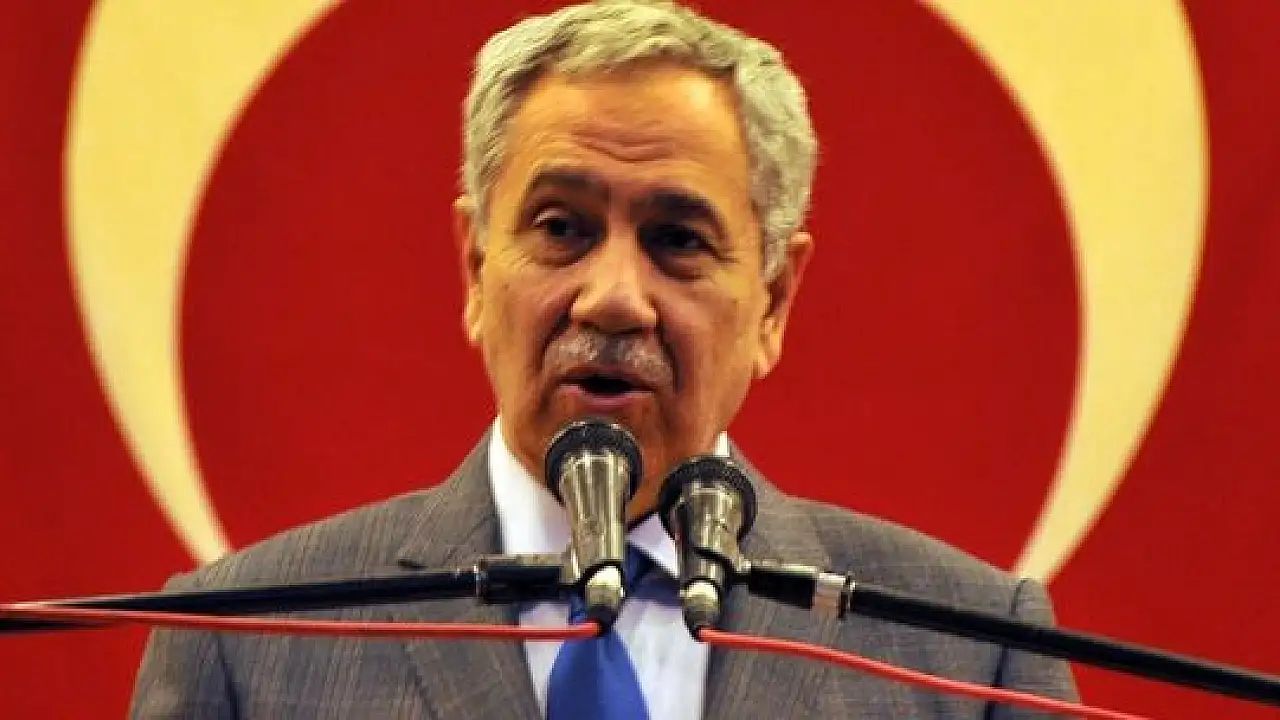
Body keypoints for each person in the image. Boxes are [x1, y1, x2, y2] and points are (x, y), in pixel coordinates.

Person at [131, 1, 1078, 717]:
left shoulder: (962, 655)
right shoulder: (245, 645)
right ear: (475, 268)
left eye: (677, 239)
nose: (614, 296)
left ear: (774, 301)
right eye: (562, 228)